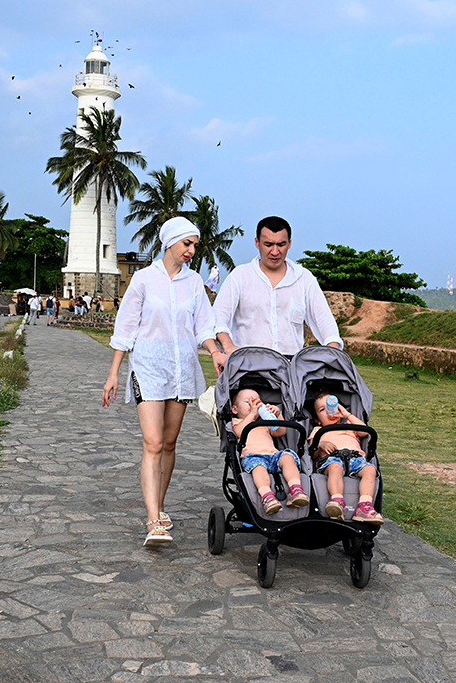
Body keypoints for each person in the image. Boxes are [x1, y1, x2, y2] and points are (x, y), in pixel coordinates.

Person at [102, 217, 227, 548]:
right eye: (187, 243)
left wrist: (214, 351)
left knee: (169, 444)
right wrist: (115, 372)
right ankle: (153, 518)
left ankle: (158, 505)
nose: (191, 250)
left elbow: (203, 327)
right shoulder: (143, 280)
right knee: (153, 442)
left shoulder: (195, 282)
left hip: (181, 370)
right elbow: (125, 328)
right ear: (170, 242)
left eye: (195, 245)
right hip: (147, 368)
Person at [213, 215, 342, 359]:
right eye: (268, 245)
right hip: (247, 364)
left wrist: (333, 351)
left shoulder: (304, 279)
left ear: (289, 243)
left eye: (281, 244)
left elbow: (324, 319)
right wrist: (228, 345)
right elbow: (219, 316)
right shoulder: (240, 276)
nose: (275, 252)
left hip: (290, 366)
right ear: (257, 243)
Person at [231, 388, 309, 516]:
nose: (254, 404)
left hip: (273, 455)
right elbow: (239, 432)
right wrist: (252, 414)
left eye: (257, 401)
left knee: (287, 457)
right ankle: (268, 496)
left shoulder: (264, 423)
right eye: (248, 402)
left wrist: (277, 416)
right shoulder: (237, 422)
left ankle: (296, 489)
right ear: (235, 409)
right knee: (259, 469)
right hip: (253, 457)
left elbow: (280, 432)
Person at [308, 392, 383, 523]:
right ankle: (337, 501)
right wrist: (321, 444)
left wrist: (346, 414)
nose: (329, 411)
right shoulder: (318, 430)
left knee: (370, 469)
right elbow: (312, 452)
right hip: (332, 460)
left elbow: (364, 432)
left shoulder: (350, 427)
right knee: (335, 467)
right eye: (322, 409)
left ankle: (364, 506)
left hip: (356, 459)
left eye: (332, 406)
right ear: (317, 419)